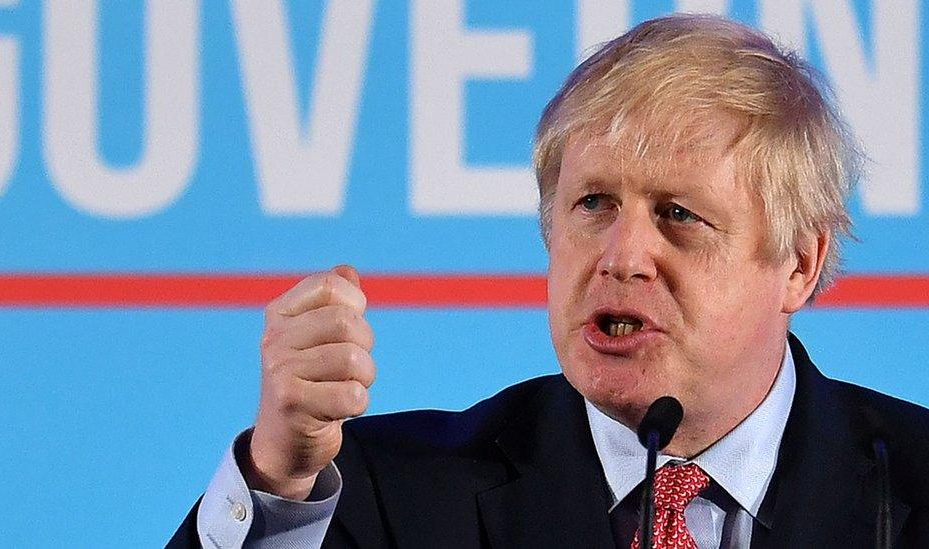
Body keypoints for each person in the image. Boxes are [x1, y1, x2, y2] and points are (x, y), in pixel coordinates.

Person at [170, 14, 929, 548]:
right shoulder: (391, 495)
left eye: (678, 214)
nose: (622, 256)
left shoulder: (916, 484)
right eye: (594, 203)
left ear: (797, 261)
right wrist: (275, 474)